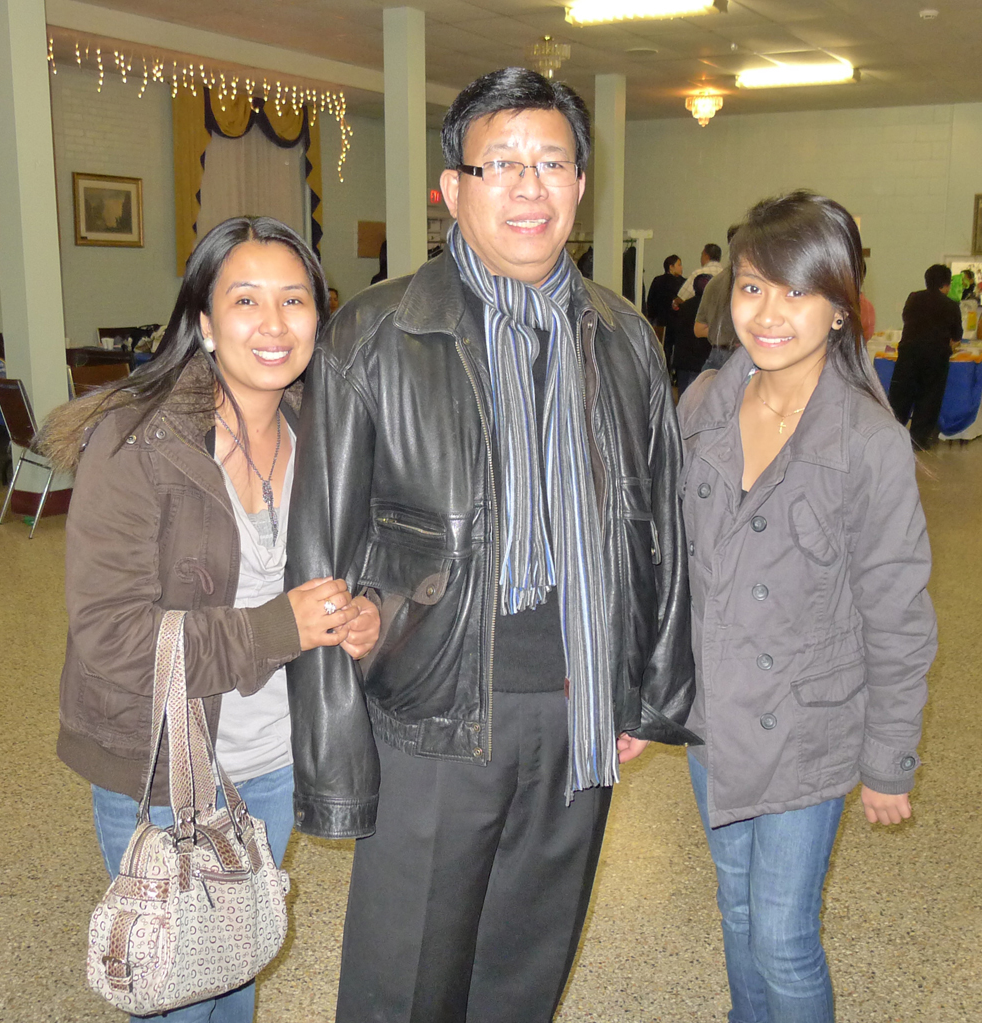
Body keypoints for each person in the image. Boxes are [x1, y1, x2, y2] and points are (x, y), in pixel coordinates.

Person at [286, 67, 698, 1023]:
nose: (528, 187)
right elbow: (319, 555)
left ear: (581, 183)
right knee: (405, 981)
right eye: (500, 163)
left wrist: (647, 687)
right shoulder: (377, 333)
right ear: (452, 187)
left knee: (525, 970)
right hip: (430, 714)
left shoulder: (625, 338)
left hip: (579, 709)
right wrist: (336, 755)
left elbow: (659, 528)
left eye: (551, 163)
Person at [40, 216, 380, 1023]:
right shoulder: (136, 439)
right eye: (246, 300)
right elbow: (112, 634)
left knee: (237, 965)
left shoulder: (322, 429)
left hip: (275, 757)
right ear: (204, 322)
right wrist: (279, 628)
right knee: (178, 993)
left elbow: (359, 559)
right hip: (161, 764)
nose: (274, 323)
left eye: (294, 299)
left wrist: (364, 612)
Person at [678, 190, 936, 1023]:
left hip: (807, 726)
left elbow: (897, 613)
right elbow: (670, 569)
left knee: (783, 935)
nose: (769, 313)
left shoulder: (868, 440)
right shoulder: (703, 406)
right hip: (714, 718)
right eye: (753, 287)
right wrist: (645, 697)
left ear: (840, 308)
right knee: (736, 908)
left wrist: (888, 757)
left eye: (797, 291)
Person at [887, 263, 963, 449]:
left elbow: (906, 318)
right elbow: (957, 336)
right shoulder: (951, 305)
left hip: (909, 352)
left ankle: (891, 434)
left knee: (900, 395)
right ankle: (918, 440)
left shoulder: (913, 298)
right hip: (935, 356)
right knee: (929, 397)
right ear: (946, 285)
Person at [695, 225, 740, 372]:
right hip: (739, 356)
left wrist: (719, 333)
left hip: (715, 356)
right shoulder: (752, 283)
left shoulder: (714, 282)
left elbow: (698, 328)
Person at [671, 272, 712, 395]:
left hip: (683, 359)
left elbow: (676, 330)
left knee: (683, 397)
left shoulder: (684, 306)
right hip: (702, 361)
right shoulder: (711, 308)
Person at [645, 253, 685, 364]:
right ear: (671, 267)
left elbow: (651, 301)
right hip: (678, 322)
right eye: (679, 265)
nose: (681, 268)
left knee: (662, 351)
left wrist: (651, 317)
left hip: (660, 322)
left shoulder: (657, 281)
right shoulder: (683, 283)